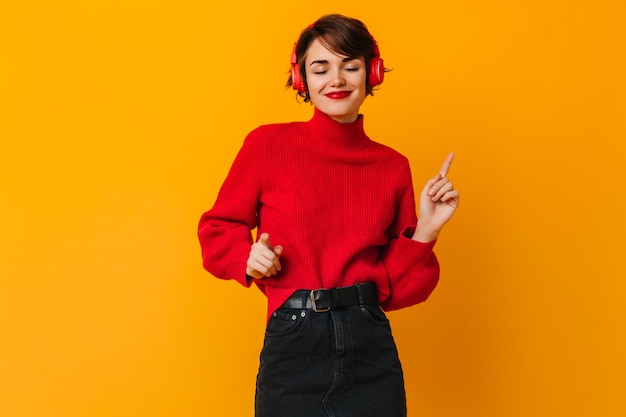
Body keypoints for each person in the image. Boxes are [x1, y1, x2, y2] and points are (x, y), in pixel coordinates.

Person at [198, 14, 459, 417]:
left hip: (369, 343)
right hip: (293, 337)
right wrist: (246, 257)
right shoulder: (268, 145)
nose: (336, 79)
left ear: (371, 73)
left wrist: (426, 230)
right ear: (301, 78)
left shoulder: (391, 167)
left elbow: (400, 291)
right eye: (320, 68)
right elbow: (217, 228)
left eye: (350, 66)